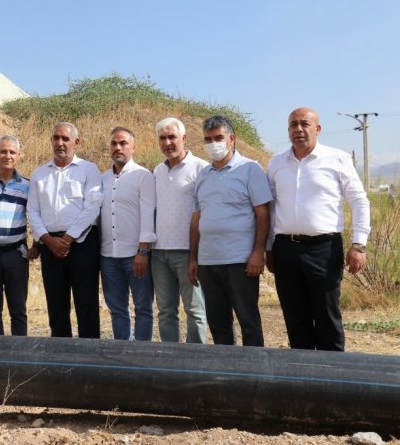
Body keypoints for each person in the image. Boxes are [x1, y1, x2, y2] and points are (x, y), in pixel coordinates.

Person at [266, 107, 370, 351]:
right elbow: (270, 208)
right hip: (285, 248)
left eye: (305, 124)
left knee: (326, 315)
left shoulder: (337, 159)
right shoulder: (277, 162)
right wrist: (269, 248)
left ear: (318, 129)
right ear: (288, 130)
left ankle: (333, 372)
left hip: (324, 249)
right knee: (295, 316)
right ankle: (303, 371)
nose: (299, 129)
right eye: (293, 125)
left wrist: (359, 244)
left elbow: (359, 201)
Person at [188, 115, 272, 347]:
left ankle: (254, 367)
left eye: (218, 138)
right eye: (208, 139)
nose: (213, 143)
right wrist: (193, 258)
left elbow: (263, 213)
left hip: (240, 261)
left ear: (232, 138)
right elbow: (197, 218)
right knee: (218, 322)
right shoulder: (203, 175)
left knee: (248, 321)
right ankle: (226, 367)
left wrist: (258, 252)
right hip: (208, 262)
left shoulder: (250, 169)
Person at [27, 122, 102, 338]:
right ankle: (60, 351)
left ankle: (90, 351)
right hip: (50, 247)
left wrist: (68, 238)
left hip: (82, 245)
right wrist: (48, 240)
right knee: (56, 304)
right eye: (56, 138)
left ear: (76, 142)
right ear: (51, 141)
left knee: (86, 303)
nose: (60, 143)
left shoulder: (89, 170)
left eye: (65, 139)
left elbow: (93, 206)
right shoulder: (39, 174)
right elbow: (32, 210)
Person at [152, 117, 209, 343]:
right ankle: (170, 357)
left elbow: (204, 211)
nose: (167, 143)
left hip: (188, 253)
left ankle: (195, 358)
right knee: (166, 311)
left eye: (172, 137)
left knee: (194, 310)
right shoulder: (157, 171)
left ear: (184, 137)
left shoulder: (201, 168)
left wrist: (196, 254)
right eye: (162, 138)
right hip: (159, 253)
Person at [99, 127, 156, 341]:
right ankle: (123, 352)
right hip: (108, 256)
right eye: (114, 143)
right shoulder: (102, 179)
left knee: (143, 308)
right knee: (117, 309)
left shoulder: (143, 176)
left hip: (135, 255)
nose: (118, 147)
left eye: (123, 143)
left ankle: (141, 354)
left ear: (133, 147)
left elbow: (148, 215)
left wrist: (143, 251)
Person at [0, 135, 31, 336]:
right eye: (2, 151)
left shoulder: (27, 185)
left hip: (16, 255)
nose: (7, 156)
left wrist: (36, 245)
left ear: (19, 156)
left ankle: (19, 351)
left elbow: (36, 216)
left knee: (18, 310)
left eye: (12, 152)